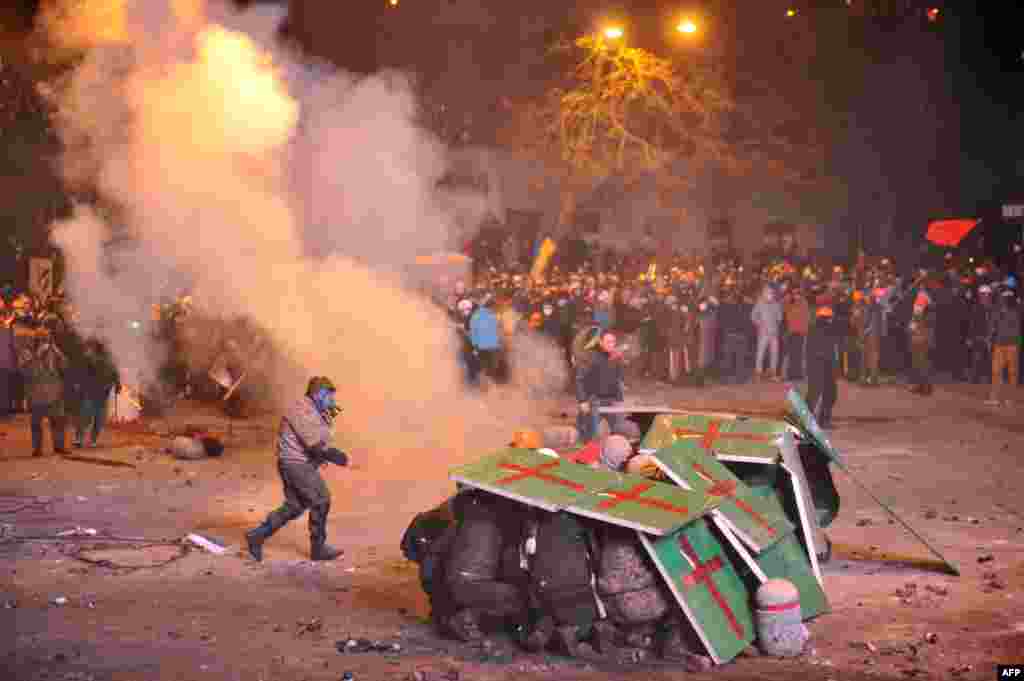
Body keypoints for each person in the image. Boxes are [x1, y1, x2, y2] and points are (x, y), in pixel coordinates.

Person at [245, 376, 349, 562]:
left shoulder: (316, 410)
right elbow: (316, 445)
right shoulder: (301, 410)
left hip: (298, 463)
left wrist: (327, 419)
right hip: (295, 464)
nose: (332, 401)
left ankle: (257, 536)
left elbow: (322, 438)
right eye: (329, 396)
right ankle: (318, 549)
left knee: (295, 507)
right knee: (321, 500)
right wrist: (338, 456)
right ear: (319, 394)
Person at [18, 326, 69, 456]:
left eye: (46, 338)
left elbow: (64, 366)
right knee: (36, 424)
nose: (45, 341)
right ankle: (37, 449)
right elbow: (26, 372)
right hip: (36, 393)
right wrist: (37, 357)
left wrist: (57, 353)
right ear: (36, 340)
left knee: (57, 421)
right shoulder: (26, 353)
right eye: (42, 339)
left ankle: (59, 447)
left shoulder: (54, 351)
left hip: (54, 391)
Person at [575, 330, 628, 443]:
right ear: (600, 342)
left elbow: (617, 380)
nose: (611, 344)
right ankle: (587, 456)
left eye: (613, 342)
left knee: (619, 432)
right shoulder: (590, 356)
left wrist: (619, 399)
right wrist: (582, 400)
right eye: (608, 342)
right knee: (591, 435)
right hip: (594, 400)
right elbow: (580, 379)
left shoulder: (616, 358)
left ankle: (614, 455)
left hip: (612, 401)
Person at [72, 339, 120, 448]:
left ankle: (91, 440)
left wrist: (117, 384)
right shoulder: (90, 358)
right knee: (86, 417)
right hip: (91, 392)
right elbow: (82, 372)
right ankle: (80, 439)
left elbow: (114, 374)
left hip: (102, 394)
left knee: (97, 419)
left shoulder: (108, 361)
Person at [805, 304, 842, 429]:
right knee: (822, 394)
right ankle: (817, 420)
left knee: (819, 394)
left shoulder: (815, 328)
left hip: (820, 365)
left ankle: (816, 420)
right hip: (822, 365)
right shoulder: (826, 329)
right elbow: (829, 350)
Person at [987, 290, 1021, 406]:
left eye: (1006, 298)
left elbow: (1019, 330)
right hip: (1000, 344)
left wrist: (1018, 343)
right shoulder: (998, 312)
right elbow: (993, 327)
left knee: (1012, 373)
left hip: (1011, 345)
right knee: (996, 372)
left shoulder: (1016, 312)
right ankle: (994, 397)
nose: (1004, 300)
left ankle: (1010, 398)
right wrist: (990, 339)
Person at [751, 286, 783, 382]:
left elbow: (780, 318)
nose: (770, 295)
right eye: (768, 293)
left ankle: (773, 373)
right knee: (760, 353)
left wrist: (778, 313)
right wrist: (760, 324)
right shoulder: (760, 304)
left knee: (774, 353)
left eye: (771, 293)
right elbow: (753, 316)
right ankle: (758, 373)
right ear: (764, 294)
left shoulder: (777, 304)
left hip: (774, 333)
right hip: (763, 333)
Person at [0, 312, 15, 418]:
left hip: (4, 363)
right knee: (4, 388)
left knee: (5, 388)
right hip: (5, 363)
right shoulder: (6, 331)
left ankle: (4, 410)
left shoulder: (6, 330)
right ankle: (4, 410)